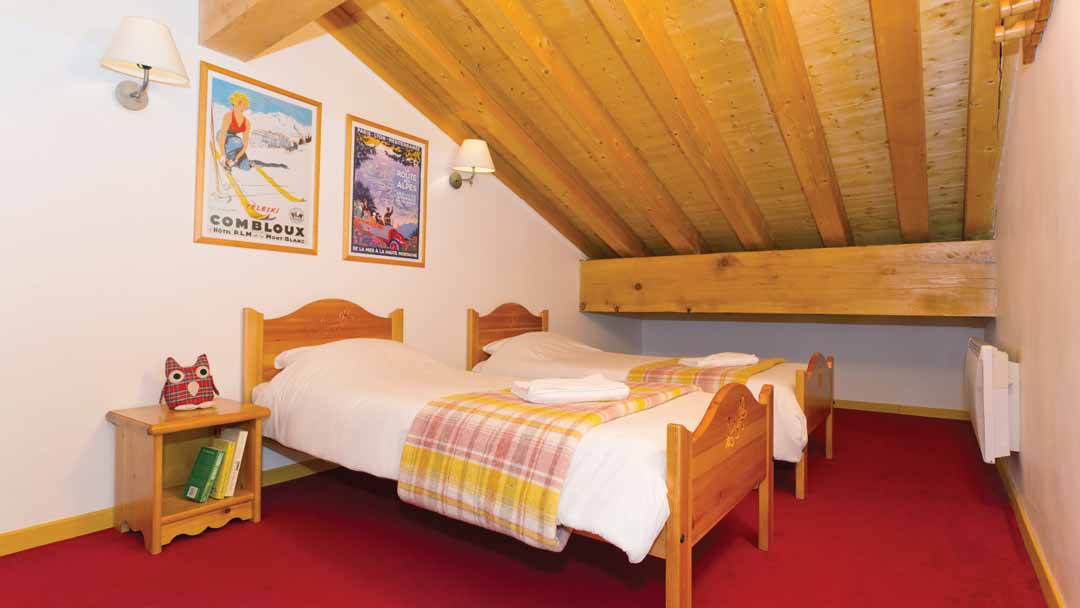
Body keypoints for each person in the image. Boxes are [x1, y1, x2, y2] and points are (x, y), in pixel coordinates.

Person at [217, 91, 252, 172]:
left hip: (234, 139)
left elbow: (245, 144)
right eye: (238, 103)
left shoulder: (247, 122)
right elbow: (222, 137)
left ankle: (232, 160)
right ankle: (227, 160)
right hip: (223, 135)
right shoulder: (228, 116)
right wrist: (222, 155)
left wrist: (236, 158)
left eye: (243, 104)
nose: (240, 106)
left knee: (245, 167)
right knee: (237, 142)